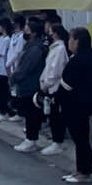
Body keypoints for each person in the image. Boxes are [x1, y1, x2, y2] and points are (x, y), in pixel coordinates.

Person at [58, 27, 92, 183]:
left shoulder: (81, 58)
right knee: (80, 137)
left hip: (78, 102)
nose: (69, 42)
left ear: (77, 41)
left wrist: (59, 94)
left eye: (70, 39)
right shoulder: (86, 56)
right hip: (82, 102)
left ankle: (84, 171)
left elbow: (69, 82)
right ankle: (80, 170)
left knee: (81, 137)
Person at [11, 17, 47, 153]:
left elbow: (26, 67)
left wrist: (15, 77)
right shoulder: (31, 46)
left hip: (30, 85)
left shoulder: (35, 48)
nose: (25, 32)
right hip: (26, 85)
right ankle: (30, 138)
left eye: (27, 30)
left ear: (34, 33)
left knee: (32, 114)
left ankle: (31, 139)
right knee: (29, 113)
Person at [39, 23, 70, 156]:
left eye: (50, 31)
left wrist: (47, 83)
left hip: (55, 86)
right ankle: (55, 140)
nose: (49, 34)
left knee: (56, 116)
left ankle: (58, 141)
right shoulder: (55, 48)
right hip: (50, 86)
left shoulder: (60, 48)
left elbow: (55, 70)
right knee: (52, 115)